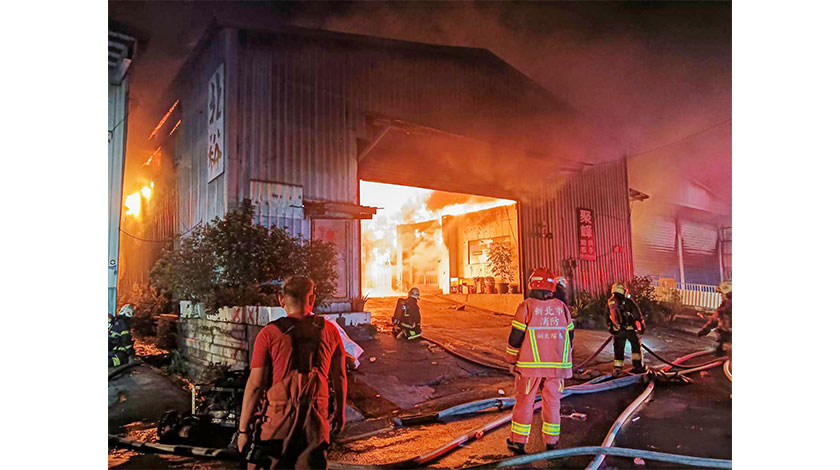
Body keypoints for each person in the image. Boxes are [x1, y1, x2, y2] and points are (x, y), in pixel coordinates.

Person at [237, 276, 347, 469]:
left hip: (278, 422)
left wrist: (243, 431)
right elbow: (339, 377)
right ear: (312, 299)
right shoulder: (330, 330)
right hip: (315, 422)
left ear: (281, 299)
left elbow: (255, 385)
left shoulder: (269, 334)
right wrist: (340, 411)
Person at [504, 268, 574, 454]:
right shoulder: (561, 308)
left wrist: (511, 359)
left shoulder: (526, 306)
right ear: (551, 287)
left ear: (531, 285)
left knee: (525, 401)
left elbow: (515, 337)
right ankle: (552, 442)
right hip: (557, 367)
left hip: (529, 367)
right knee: (552, 402)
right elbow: (570, 336)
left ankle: (518, 441)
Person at [606, 282, 647, 376]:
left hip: (618, 331)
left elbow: (607, 318)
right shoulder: (628, 301)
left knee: (618, 349)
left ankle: (617, 368)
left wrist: (612, 329)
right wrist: (641, 327)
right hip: (630, 330)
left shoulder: (609, 303)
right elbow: (637, 315)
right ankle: (637, 367)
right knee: (635, 347)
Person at [698, 281, 732, 356]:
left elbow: (714, 320)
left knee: (722, 354)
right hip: (727, 336)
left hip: (727, 336)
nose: (721, 296)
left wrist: (704, 331)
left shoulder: (725, 306)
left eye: (721, 294)